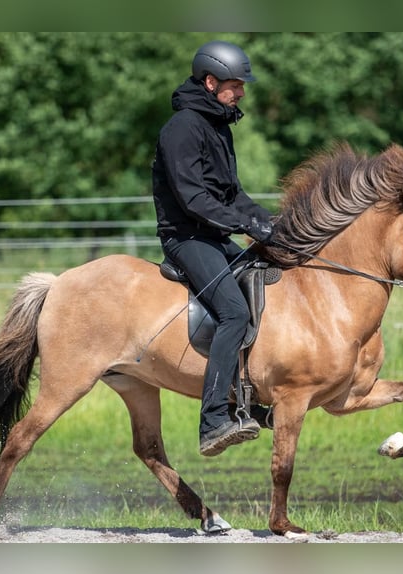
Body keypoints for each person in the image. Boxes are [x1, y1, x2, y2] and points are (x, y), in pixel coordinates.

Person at [152, 40, 274, 457]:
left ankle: (248, 400)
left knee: (266, 284)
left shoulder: (218, 127)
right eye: (235, 85)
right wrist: (244, 224)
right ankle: (212, 422)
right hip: (185, 238)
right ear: (210, 82)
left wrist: (267, 220)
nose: (241, 92)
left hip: (213, 235)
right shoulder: (183, 128)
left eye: (242, 85)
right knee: (235, 312)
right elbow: (193, 199)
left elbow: (231, 194)